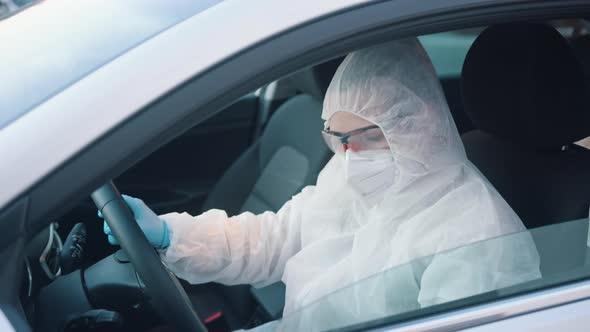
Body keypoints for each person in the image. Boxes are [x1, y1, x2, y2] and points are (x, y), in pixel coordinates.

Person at [101, 39, 540, 331]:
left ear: (417, 122)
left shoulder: (476, 235)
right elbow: (274, 239)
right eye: (340, 140)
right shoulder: (356, 175)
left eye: (367, 136)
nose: (350, 156)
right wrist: (171, 234)